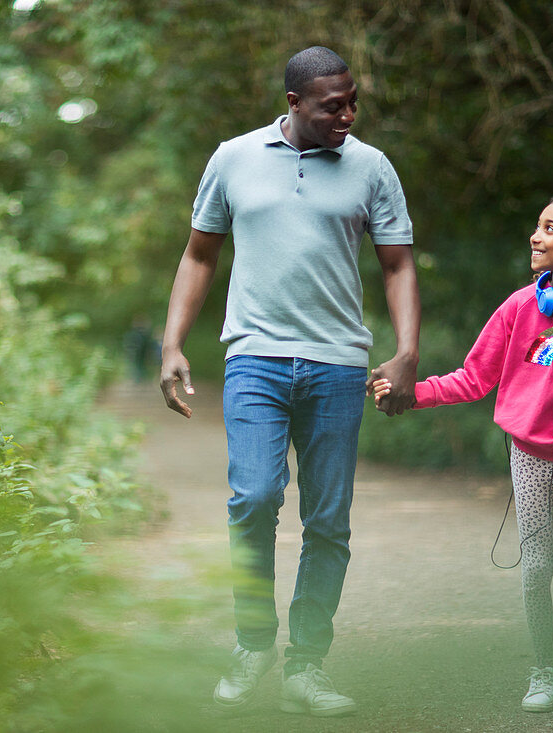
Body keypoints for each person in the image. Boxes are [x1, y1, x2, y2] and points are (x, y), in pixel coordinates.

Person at [159, 46, 420, 716]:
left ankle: (308, 664)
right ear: (294, 103)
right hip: (255, 357)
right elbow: (199, 253)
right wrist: (172, 344)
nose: (348, 114)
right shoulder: (233, 158)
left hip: (338, 362)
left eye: (353, 100)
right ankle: (253, 643)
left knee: (327, 518)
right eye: (333, 104)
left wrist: (406, 350)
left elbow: (396, 266)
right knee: (253, 496)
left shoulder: (371, 166)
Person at [371, 193, 553, 728]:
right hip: (527, 456)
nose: (536, 236)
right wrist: (414, 394)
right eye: (536, 226)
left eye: (550, 229)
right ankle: (544, 670)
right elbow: (473, 377)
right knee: (536, 568)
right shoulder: (518, 307)